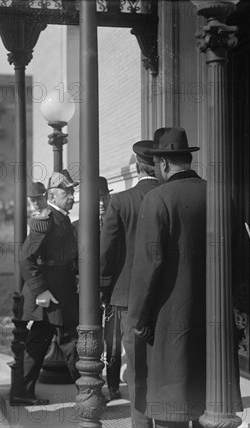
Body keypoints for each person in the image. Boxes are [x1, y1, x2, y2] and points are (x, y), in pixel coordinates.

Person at [128, 127, 241, 427]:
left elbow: (147, 267)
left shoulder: (158, 199)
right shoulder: (219, 195)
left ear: (162, 164)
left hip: (170, 323)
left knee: (172, 412)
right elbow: (239, 259)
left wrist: (138, 319)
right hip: (214, 327)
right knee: (211, 406)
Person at [99, 141, 158, 423]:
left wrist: (105, 289)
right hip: (166, 296)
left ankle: (141, 423)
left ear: (136, 166)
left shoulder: (120, 202)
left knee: (136, 368)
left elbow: (106, 254)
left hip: (126, 298)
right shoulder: (168, 195)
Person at [13, 170, 80, 406]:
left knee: (40, 341)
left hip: (59, 291)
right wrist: (41, 290)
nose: (72, 196)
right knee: (70, 339)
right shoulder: (46, 219)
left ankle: (21, 392)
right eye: (66, 192)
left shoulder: (62, 219)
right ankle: (88, 391)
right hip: (50, 294)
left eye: (72, 191)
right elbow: (26, 258)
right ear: (52, 195)